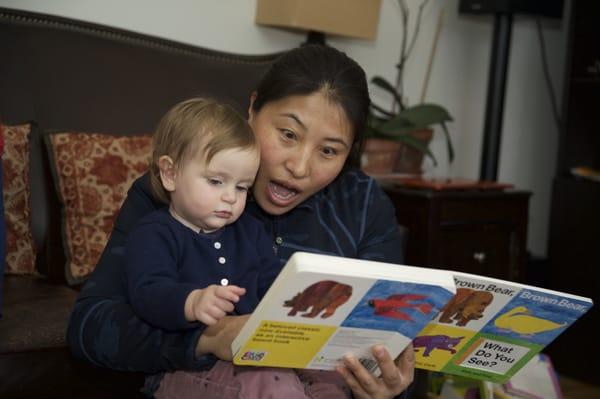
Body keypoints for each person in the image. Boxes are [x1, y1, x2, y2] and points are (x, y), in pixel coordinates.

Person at [67, 44, 415, 399]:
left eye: (328, 151)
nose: (299, 167)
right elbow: (90, 328)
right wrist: (207, 338)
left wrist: (388, 387)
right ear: (252, 108)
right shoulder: (183, 191)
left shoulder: (364, 204)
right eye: (288, 134)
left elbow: (387, 337)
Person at [128, 97, 351, 398]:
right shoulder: (155, 233)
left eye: (242, 187)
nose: (231, 197)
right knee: (271, 382)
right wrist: (191, 302)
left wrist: (303, 294)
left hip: (254, 353)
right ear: (170, 173)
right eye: (217, 181)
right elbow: (147, 291)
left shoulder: (247, 230)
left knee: (332, 375)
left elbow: (271, 278)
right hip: (188, 369)